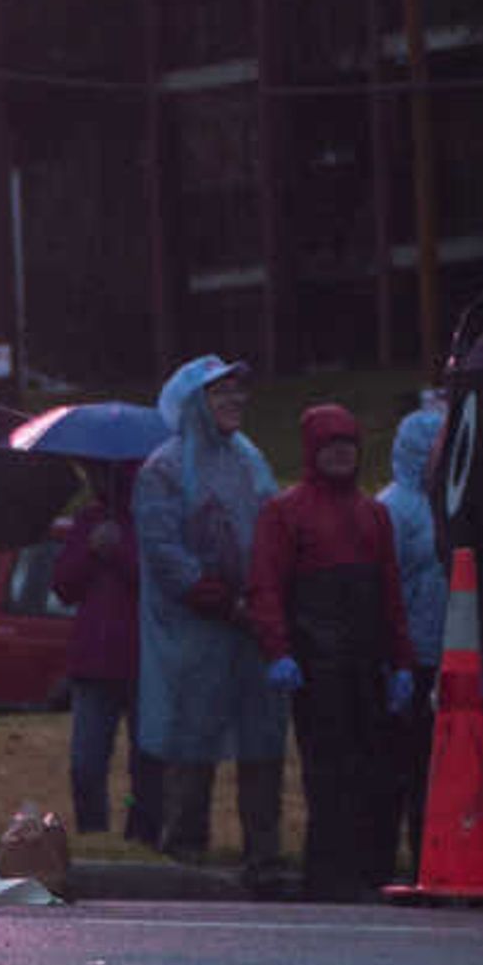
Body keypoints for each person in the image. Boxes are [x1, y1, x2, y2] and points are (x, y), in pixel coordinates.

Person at [246, 402, 415, 901]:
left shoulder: (373, 514)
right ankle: (330, 876)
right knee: (330, 775)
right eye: (331, 447)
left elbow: (390, 592)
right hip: (316, 666)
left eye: (348, 446)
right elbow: (266, 586)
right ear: (312, 452)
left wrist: (401, 661)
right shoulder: (285, 512)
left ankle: (370, 870)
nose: (341, 456)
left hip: (367, 662)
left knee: (378, 773)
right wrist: (277, 649)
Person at [134, 354, 289, 881]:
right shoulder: (165, 469)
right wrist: (221, 600)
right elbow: (165, 553)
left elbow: (270, 530)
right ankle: (183, 852)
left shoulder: (250, 459)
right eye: (220, 393)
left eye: (236, 391)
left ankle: (264, 853)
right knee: (191, 738)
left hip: (250, 629)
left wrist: (264, 600)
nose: (234, 401)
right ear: (195, 403)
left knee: (261, 739)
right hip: (195, 632)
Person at [48, 457, 151, 842]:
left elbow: (156, 580)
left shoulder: (151, 519)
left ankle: (140, 836)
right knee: (85, 764)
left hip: (143, 661)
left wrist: (119, 552)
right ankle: (94, 832)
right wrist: (91, 551)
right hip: (93, 661)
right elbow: (62, 586)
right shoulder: (89, 520)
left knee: (144, 764)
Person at [379, 399, 446, 879]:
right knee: (400, 765)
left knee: (438, 766)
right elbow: (387, 586)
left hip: (447, 654)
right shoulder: (395, 508)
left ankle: (432, 852)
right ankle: (384, 858)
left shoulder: (451, 503)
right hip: (406, 658)